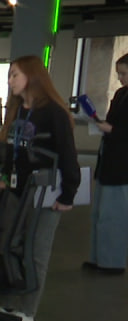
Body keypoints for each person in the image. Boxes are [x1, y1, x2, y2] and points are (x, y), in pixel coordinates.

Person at [0, 55, 80, 321]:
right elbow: (10, 150)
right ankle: (10, 304)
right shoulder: (16, 110)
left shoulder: (54, 112)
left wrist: (68, 195)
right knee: (9, 246)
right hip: (17, 191)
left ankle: (27, 311)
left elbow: (68, 155)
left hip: (45, 193)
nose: (10, 81)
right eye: (9, 75)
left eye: (14, 75)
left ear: (31, 76)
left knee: (36, 252)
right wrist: (4, 176)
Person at [88, 52, 128, 275]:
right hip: (109, 160)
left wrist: (111, 129)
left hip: (122, 168)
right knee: (100, 215)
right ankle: (98, 258)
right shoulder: (121, 94)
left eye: (124, 74)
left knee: (114, 217)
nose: (120, 78)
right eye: (119, 74)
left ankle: (112, 263)